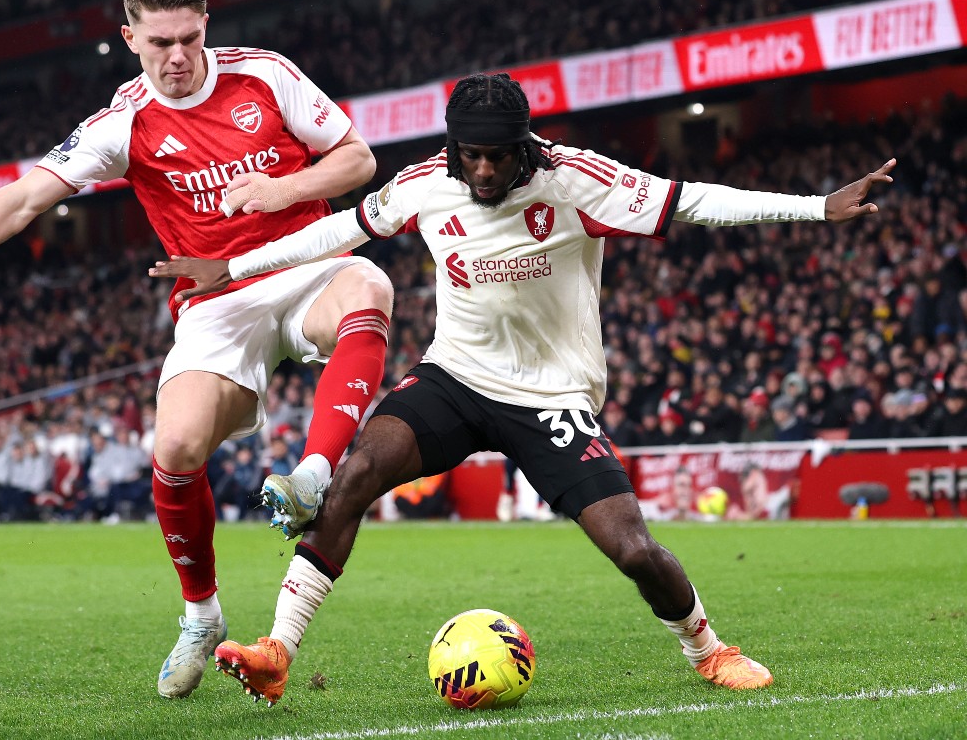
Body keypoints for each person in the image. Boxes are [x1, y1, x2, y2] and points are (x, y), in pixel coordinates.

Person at [152, 71, 892, 704]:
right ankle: (279, 652)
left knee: (631, 546)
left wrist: (815, 207)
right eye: (469, 154)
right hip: (456, 376)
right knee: (357, 473)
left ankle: (708, 649)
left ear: (524, 146)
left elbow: (690, 198)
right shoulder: (423, 184)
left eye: (496, 156)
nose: (481, 170)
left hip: (552, 396)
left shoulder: (576, 181)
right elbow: (337, 231)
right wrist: (237, 270)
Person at [0, 0, 394, 699]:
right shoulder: (123, 122)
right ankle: (201, 615)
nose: (178, 56)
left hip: (303, 263)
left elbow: (357, 159)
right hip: (214, 304)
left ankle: (314, 475)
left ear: (206, 28)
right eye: (160, 42)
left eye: (190, 38)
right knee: (174, 448)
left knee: (370, 280)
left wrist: (281, 187)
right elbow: (21, 201)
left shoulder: (266, 74)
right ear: (130, 37)